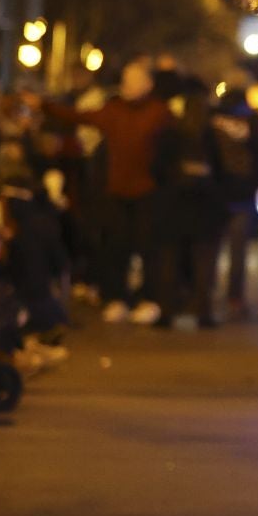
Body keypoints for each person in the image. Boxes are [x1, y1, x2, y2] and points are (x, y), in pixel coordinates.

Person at [36, 59, 169, 325]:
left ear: (147, 84)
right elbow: (81, 116)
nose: (126, 86)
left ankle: (149, 299)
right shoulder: (115, 110)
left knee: (147, 248)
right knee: (115, 247)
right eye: (125, 80)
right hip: (117, 190)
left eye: (132, 80)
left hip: (147, 191)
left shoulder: (158, 113)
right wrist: (45, 106)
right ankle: (116, 297)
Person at [152, 78, 229, 330]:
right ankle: (202, 311)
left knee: (169, 261)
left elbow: (156, 168)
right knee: (203, 262)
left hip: (173, 207)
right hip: (203, 209)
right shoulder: (210, 136)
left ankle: (167, 311)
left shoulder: (168, 134)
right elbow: (222, 172)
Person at [211, 86, 258, 320]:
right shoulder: (257, 124)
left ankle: (205, 295)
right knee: (237, 251)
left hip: (214, 194)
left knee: (209, 248)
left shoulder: (212, 121)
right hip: (245, 196)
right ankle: (234, 298)